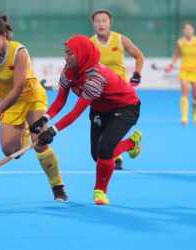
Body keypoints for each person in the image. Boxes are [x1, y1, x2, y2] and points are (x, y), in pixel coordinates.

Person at [30, 35, 142, 205]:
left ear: (81, 54)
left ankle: (100, 192)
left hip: (125, 107)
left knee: (104, 149)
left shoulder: (95, 77)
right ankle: (131, 144)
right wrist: (44, 118)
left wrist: (52, 131)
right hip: (100, 108)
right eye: (65, 53)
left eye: (70, 54)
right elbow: (61, 100)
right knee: (97, 155)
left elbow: (76, 112)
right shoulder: (68, 70)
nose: (65, 57)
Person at [0, 14, 68, 202]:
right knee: (10, 151)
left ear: (3, 36)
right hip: (11, 104)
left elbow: (18, 89)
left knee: (40, 142)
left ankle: (57, 186)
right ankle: (25, 134)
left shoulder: (19, 52)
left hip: (32, 97)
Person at [90, 9, 144, 169]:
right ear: (93, 24)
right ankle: (127, 146)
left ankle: (117, 156)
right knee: (98, 151)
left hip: (121, 93)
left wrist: (137, 74)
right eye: (97, 21)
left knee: (112, 127)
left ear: (110, 23)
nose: (101, 23)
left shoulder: (121, 40)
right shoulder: (90, 43)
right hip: (101, 94)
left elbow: (139, 56)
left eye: (104, 20)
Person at [166, 22, 196, 124]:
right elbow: (176, 55)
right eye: (186, 29)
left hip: (195, 71)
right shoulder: (180, 42)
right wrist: (171, 65)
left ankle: (195, 115)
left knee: (195, 95)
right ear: (183, 31)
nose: (188, 31)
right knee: (185, 94)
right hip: (184, 71)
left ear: (193, 30)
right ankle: (184, 117)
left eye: (190, 29)